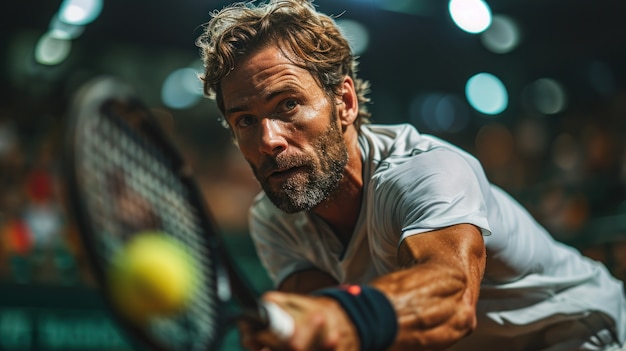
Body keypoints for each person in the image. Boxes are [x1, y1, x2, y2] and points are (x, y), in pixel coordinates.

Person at [196, 0, 626, 350]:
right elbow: (330, 328)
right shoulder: (273, 217)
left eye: (287, 105)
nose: (268, 139)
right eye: (246, 121)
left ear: (344, 102)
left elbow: (451, 298)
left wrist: (342, 317)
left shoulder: (426, 170)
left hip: (585, 333)